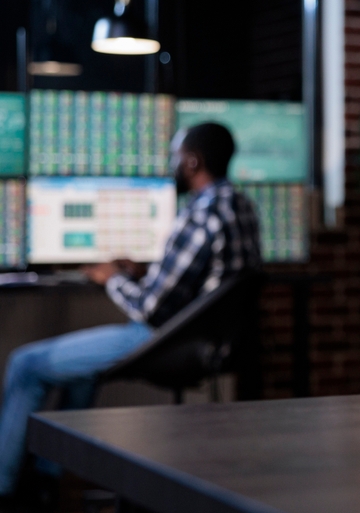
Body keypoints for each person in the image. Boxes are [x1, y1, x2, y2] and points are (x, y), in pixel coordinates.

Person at [0, 122, 261, 501]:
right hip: (207, 338)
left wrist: (111, 279)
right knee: (79, 372)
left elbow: (149, 307)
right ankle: (45, 480)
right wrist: (143, 271)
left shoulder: (201, 214)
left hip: (166, 338)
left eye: (175, 157)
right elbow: (202, 277)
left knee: (25, 365)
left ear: (193, 161)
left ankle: (4, 489)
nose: (172, 165)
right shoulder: (242, 206)